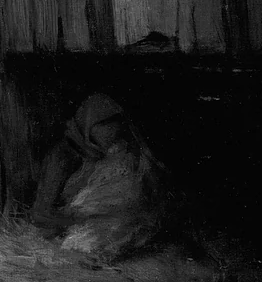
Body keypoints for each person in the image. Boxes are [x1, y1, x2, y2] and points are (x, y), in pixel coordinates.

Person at [31, 94, 170, 261]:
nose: (111, 132)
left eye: (114, 125)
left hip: (112, 226)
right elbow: (41, 214)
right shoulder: (63, 156)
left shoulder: (122, 155)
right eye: (103, 125)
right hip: (71, 230)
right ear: (88, 126)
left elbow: (141, 196)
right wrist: (77, 218)